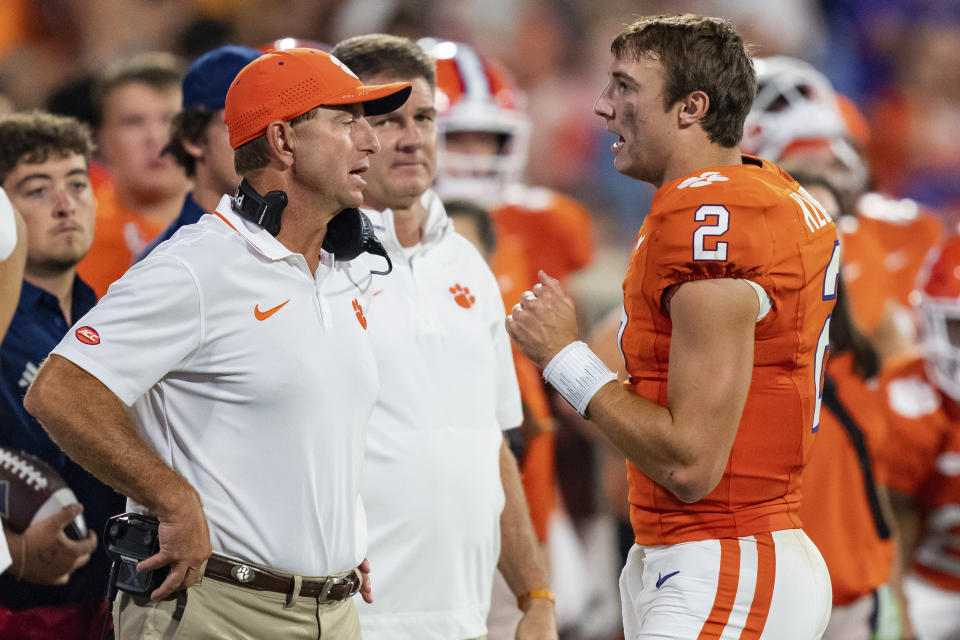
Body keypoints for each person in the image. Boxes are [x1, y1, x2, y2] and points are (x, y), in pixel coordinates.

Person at [24, 47, 411, 639]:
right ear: (283, 141)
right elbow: (60, 391)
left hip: (331, 609)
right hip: (215, 608)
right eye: (346, 121)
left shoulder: (340, 270)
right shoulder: (197, 266)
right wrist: (171, 498)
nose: (371, 142)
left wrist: (328, 536)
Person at [506, 15, 837, 638]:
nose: (604, 106)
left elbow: (691, 463)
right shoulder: (757, 190)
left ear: (692, 107)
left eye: (627, 87)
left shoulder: (709, 217)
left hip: (726, 555)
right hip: (714, 555)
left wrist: (563, 358)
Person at [329, 34, 556, 640]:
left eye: (424, 117)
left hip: (462, 617)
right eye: (387, 118)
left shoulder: (467, 263)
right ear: (342, 130)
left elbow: (493, 447)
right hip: (346, 619)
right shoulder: (307, 265)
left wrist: (535, 594)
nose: (412, 137)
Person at [0, 111, 122, 640]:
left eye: (77, 183)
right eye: (35, 189)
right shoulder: (5, 324)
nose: (64, 203)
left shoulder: (116, 313)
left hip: (110, 596)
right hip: (18, 603)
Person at [792, 174, 902, 640]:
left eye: (831, 222)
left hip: (857, 598)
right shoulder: (737, 352)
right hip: (777, 602)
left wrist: (896, 591)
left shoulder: (867, 355)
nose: (823, 237)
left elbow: (878, 484)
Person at [880, 234, 960, 640]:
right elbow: (896, 520)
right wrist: (901, 617)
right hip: (928, 579)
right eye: (959, 329)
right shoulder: (907, 394)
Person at [75, 51, 190, 297]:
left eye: (170, 120)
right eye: (134, 122)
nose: (155, 138)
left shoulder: (238, 227)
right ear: (102, 139)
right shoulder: (74, 233)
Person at [137, 44, 261, 262]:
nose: (266, 141)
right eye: (240, 124)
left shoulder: (309, 241)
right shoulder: (164, 264)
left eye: (272, 125)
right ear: (194, 139)